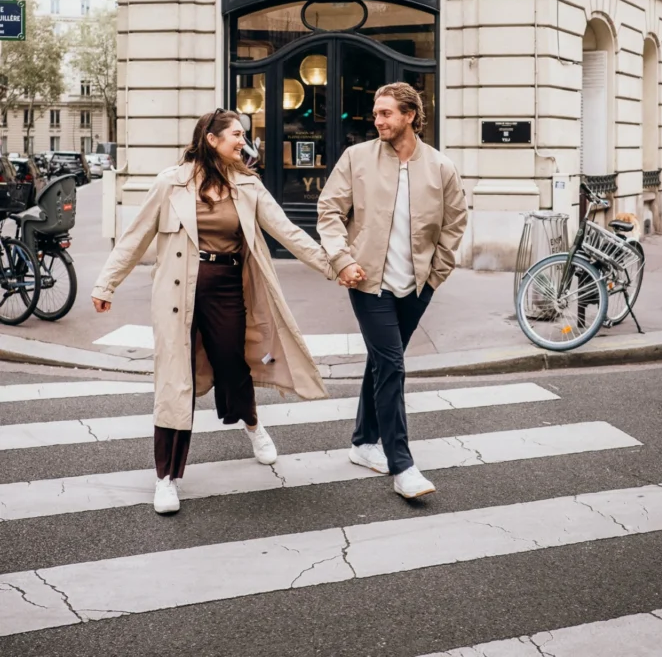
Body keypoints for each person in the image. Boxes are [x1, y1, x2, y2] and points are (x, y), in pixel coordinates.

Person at [92, 109, 334, 515]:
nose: (243, 141)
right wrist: (106, 283)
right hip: (175, 294)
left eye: (243, 135)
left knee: (231, 363)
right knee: (175, 380)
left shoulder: (248, 185)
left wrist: (333, 266)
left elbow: (288, 231)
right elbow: (135, 237)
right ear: (211, 139)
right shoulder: (171, 182)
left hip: (227, 288)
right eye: (236, 134)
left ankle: (252, 424)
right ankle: (166, 477)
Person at [317, 83, 468, 500]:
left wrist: (436, 274)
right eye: (376, 113)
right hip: (367, 282)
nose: (377, 120)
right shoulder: (357, 158)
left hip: (417, 286)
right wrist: (342, 258)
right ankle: (402, 464)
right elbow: (329, 210)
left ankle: (362, 442)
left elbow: (455, 223)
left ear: (410, 116)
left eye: (386, 113)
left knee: (382, 362)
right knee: (392, 365)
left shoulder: (440, 167)